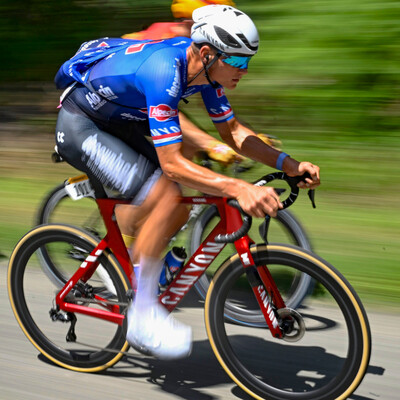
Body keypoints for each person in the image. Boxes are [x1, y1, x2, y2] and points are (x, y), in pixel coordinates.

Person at [54, 4, 320, 360]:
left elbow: (235, 133)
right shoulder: (165, 71)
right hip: (81, 124)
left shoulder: (207, 74)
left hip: (117, 122)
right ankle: (143, 314)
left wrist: (289, 164)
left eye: (248, 62)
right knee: (166, 193)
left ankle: (141, 265)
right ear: (209, 53)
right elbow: (173, 164)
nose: (244, 70)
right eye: (239, 62)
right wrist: (239, 187)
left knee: (176, 210)